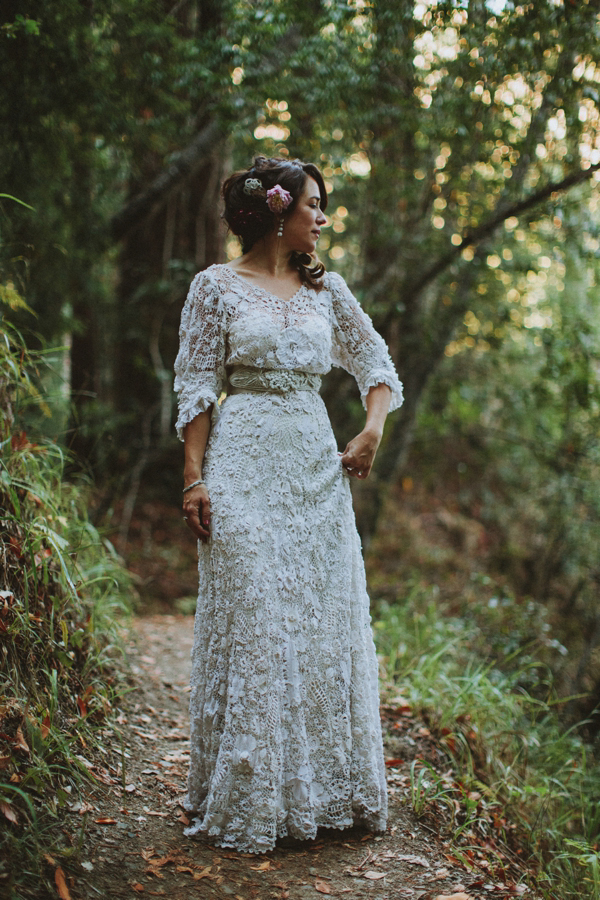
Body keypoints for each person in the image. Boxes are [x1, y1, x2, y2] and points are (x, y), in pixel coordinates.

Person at [174, 155, 403, 854]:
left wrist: (371, 429)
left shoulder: (326, 291)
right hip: (240, 463)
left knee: (313, 622)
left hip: (313, 469)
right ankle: (247, 791)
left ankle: (321, 790)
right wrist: (193, 477)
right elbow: (193, 386)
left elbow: (377, 367)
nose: (323, 219)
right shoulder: (215, 287)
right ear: (277, 212)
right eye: (313, 205)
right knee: (257, 611)